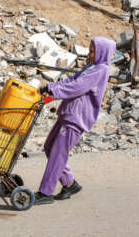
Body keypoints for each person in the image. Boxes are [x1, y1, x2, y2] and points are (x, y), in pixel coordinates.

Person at [35, 37, 116, 205]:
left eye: (93, 51)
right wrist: (50, 87)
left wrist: (54, 92)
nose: (89, 53)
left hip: (76, 118)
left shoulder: (100, 69)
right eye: (90, 50)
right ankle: (70, 183)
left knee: (58, 153)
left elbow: (77, 87)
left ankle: (45, 192)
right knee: (50, 147)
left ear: (103, 52)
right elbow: (71, 80)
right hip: (68, 113)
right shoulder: (91, 67)